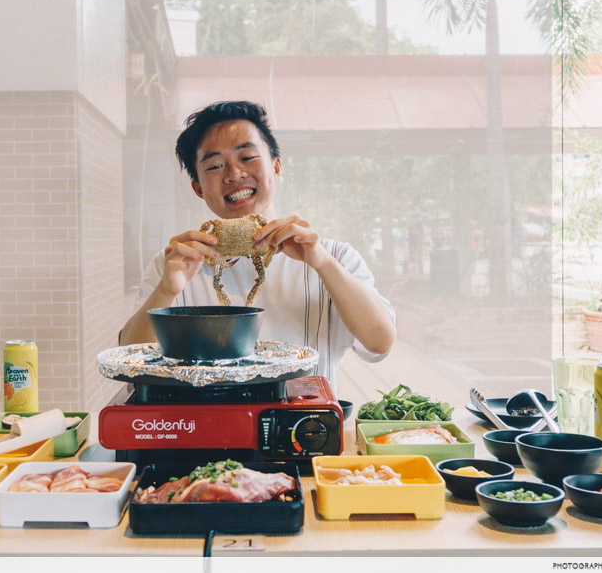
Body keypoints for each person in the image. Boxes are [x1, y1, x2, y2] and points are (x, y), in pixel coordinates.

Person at [119, 101, 396, 392]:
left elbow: (379, 342)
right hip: (202, 431)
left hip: (301, 428)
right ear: (198, 188)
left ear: (275, 167)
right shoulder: (174, 264)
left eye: (248, 157)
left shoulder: (335, 257)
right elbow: (128, 367)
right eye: (215, 165)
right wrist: (166, 290)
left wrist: (323, 264)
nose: (234, 174)